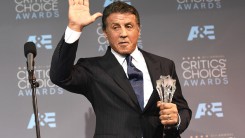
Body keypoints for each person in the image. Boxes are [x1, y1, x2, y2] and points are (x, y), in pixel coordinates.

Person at [50, 0, 192, 138]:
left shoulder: (164, 65)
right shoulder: (92, 69)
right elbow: (59, 76)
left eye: (129, 26)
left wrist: (177, 119)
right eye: (115, 27)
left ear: (139, 29)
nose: (123, 33)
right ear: (105, 32)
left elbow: (182, 109)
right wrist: (74, 27)